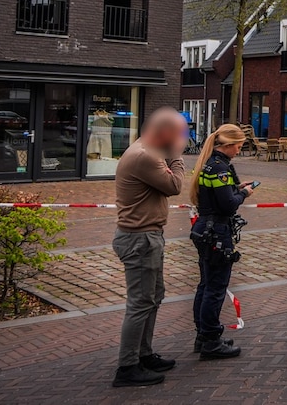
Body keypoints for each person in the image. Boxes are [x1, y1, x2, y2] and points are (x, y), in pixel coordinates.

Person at [111, 108, 188, 388]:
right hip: (139, 239)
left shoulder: (148, 150)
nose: (182, 138)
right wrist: (177, 155)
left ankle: (143, 354)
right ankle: (128, 366)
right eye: (178, 133)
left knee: (154, 295)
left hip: (146, 237)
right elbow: (174, 185)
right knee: (141, 302)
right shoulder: (145, 156)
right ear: (164, 132)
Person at [189, 124, 253, 360]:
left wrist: (234, 188)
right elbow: (227, 204)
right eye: (238, 146)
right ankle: (210, 341)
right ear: (228, 145)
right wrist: (243, 193)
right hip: (216, 231)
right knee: (215, 287)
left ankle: (203, 335)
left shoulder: (210, 165)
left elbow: (218, 194)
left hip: (205, 229)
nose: (239, 150)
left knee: (205, 285)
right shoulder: (220, 169)